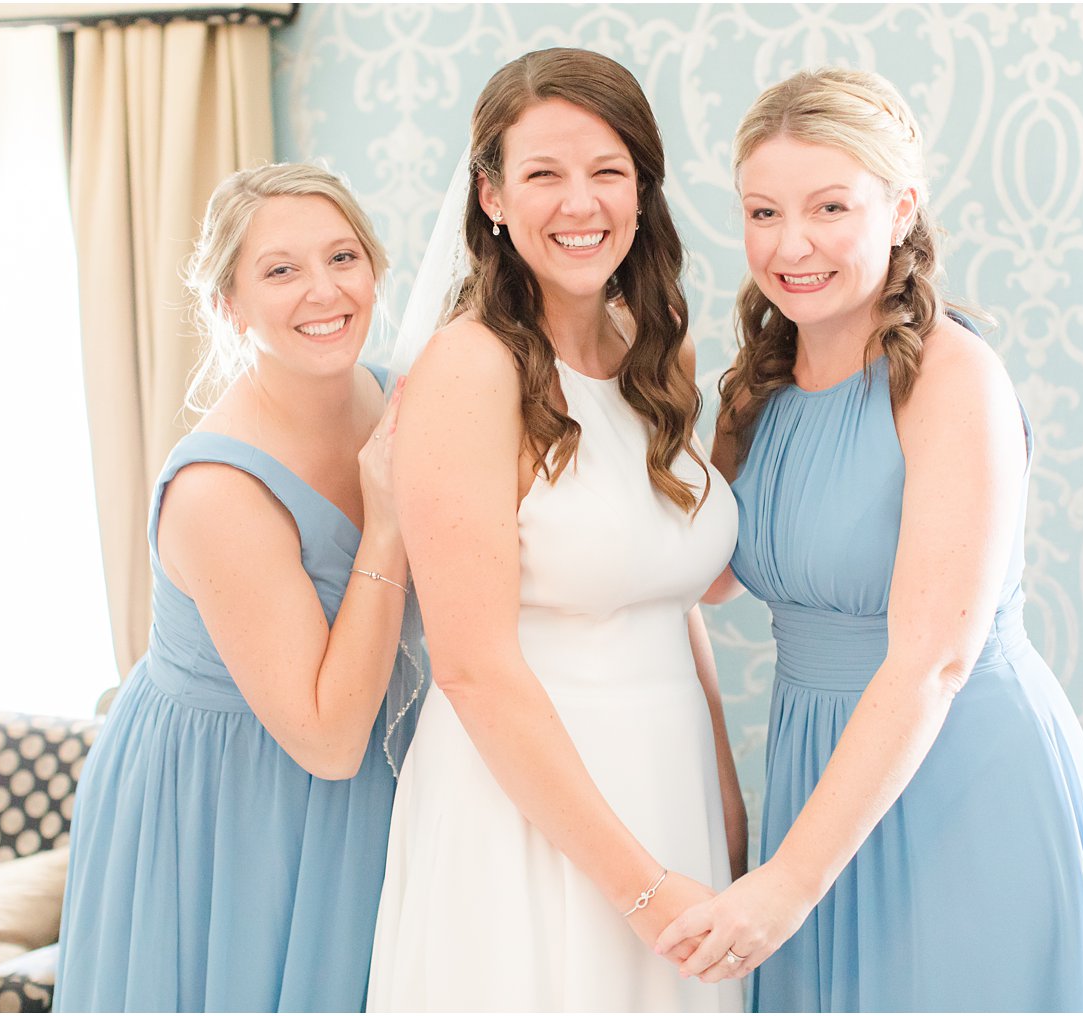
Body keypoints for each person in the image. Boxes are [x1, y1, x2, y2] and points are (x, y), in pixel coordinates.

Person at [655, 68, 1083, 1012]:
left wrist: (787, 884)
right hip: (813, 773)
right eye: (762, 212)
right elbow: (698, 578)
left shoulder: (953, 379)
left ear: (902, 204)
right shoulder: (760, 385)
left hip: (954, 771)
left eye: (830, 206)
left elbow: (931, 664)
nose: (791, 245)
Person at [366, 48, 745, 1012]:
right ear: (491, 196)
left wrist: (727, 802)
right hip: (529, 809)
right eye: (543, 174)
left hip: (673, 789)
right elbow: (472, 666)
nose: (580, 204)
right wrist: (644, 890)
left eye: (607, 172)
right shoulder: (469, 370)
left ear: (641, 189)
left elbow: (671, 597)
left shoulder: (655, 344)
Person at [55, 163, 424, 1012]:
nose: (324, 291)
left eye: (343, 257)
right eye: (281, 270)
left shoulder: (395, 398)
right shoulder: (218, 492)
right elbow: (329, 741)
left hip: (374, 770)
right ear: (229, 303)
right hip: (235, 799)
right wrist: (389, 523)